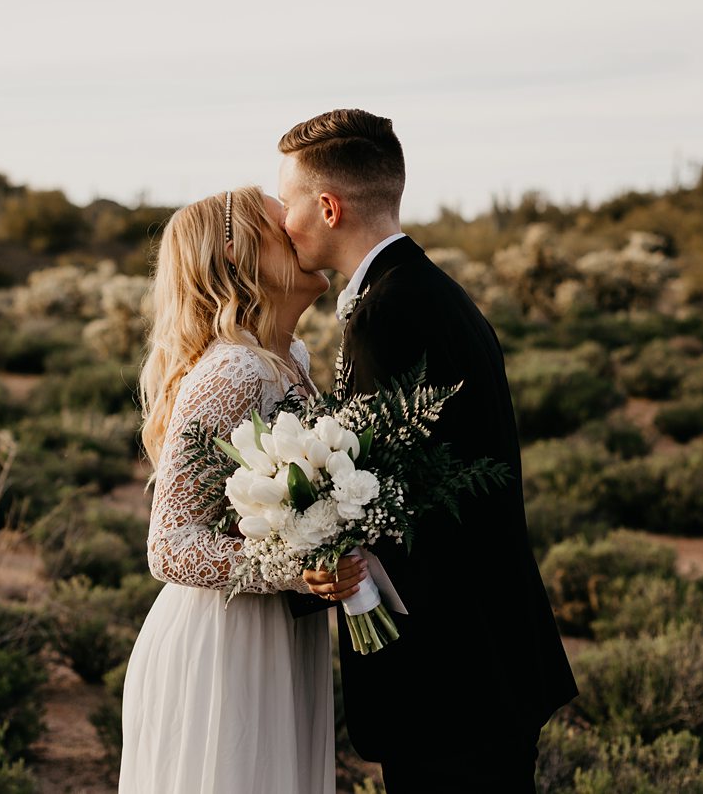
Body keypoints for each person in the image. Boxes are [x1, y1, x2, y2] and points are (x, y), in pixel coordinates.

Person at [278, 109, 577, 792]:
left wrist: (312, 557)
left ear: (328, 207)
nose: (283, 221)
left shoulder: (391, 314)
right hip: (482, 660)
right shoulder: (423, 291)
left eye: (289, 201)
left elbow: (395, 504)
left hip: (453, 677)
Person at [119, 186, 335, 794]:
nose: (300, 227)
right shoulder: (234, 371)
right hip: (225, 642)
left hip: (278, 631)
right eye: (280, 223)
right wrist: (298, 567)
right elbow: (170, 545)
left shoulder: (290, 356)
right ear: (238, 258)